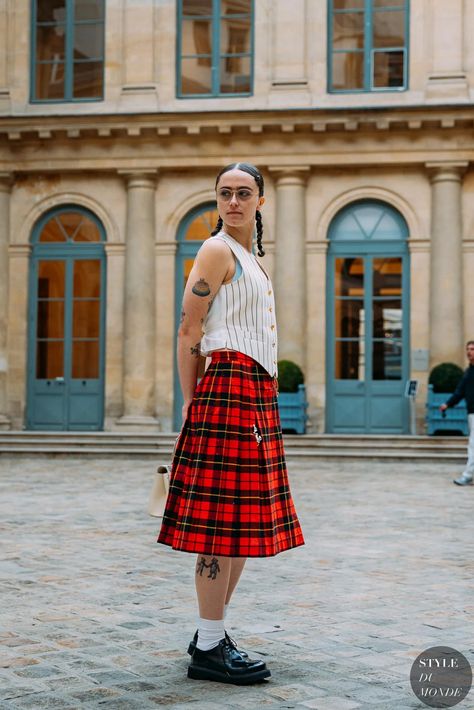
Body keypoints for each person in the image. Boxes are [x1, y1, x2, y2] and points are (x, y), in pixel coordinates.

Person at [157, 162, 305, 685]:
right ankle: (210, 646)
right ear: (216, 200)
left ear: (260, 200)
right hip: (224, 387)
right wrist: (190, 402)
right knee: (220, 526)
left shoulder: (254, 259)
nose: (234, 202)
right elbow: (188, 328)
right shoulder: (216, 249)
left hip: (255, 391)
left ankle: (209, 636)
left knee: (240, 524)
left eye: (244, 193)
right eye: (225, 194)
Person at [439, 341, 474, 485]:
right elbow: (460, 392)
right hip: (472, 413)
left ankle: (468, 474)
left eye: (472, 349)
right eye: (468, 349)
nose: (469, 352)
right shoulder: (468, 372)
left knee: (473, 445)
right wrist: (448, 404)